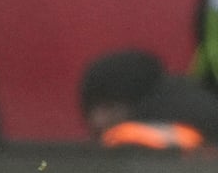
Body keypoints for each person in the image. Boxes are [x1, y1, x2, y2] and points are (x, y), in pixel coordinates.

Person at [79, 49, 218, 150]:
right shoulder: (197, 109)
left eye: (110, 108)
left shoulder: (134, 140)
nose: (98, 120)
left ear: (136, 103)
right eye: (92, 110)